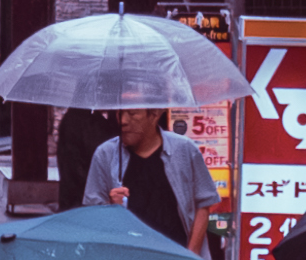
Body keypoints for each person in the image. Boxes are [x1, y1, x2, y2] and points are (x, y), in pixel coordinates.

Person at [54, 106, 218, 251]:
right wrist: (110, 209)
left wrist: (191, 256)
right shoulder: (105, 155)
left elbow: (203, 204)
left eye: (132, 114)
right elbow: (91, 214)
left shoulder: (185, 150)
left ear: (154, 115)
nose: (123, 121)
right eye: (120, 113)